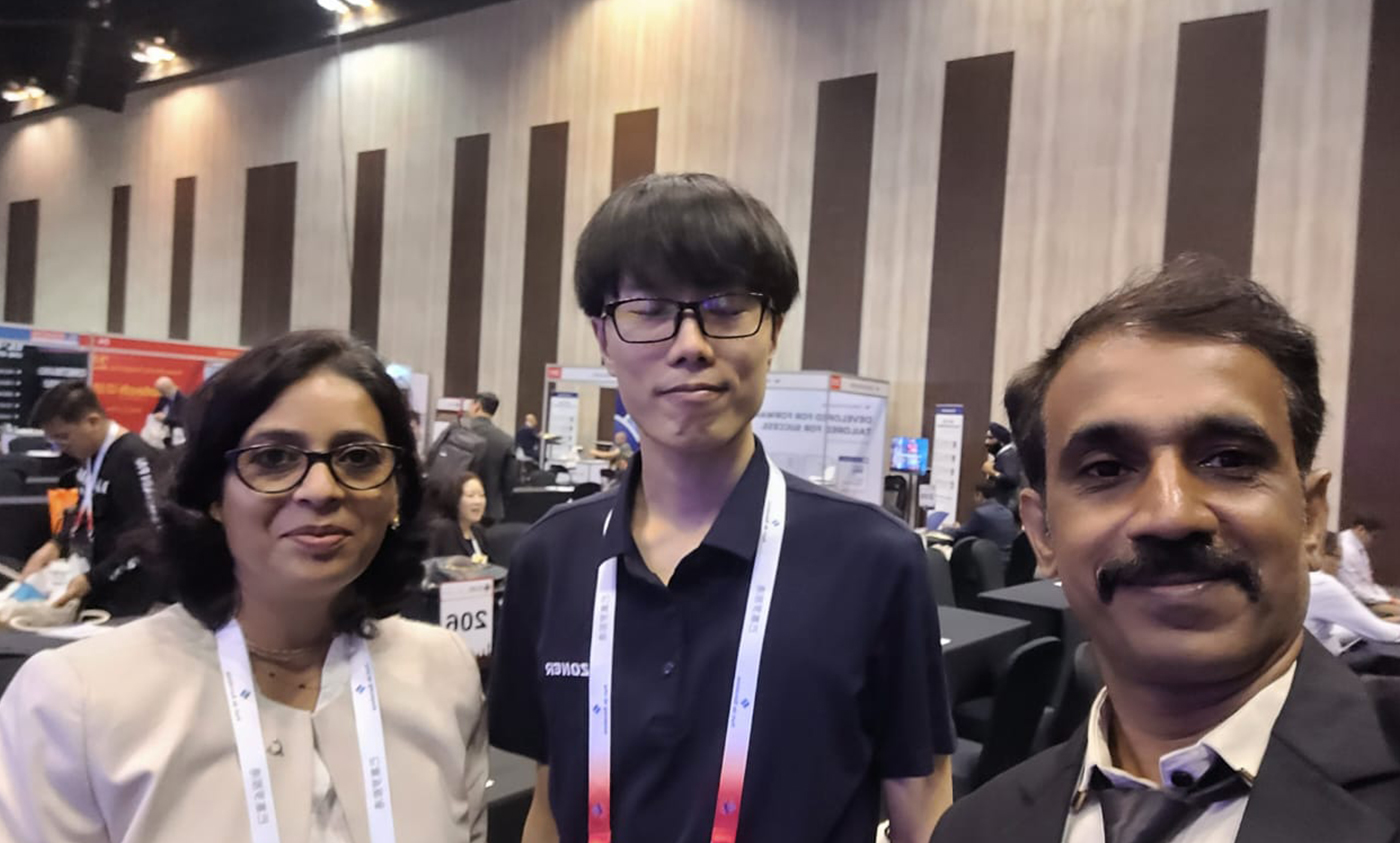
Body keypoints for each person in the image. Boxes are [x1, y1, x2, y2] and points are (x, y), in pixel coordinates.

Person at [490, 173, 955, 843]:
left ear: (774, 332)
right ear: (603, 337)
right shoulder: (550, 558)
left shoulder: (875, 560)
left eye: (728, 307)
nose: (691, 344)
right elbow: (549, 802)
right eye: (650, 308)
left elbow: (924, 807)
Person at [931, 255, 1400, 842]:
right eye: (1106, 469)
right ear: (1043, 533)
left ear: (1311, 518)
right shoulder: (974, 829)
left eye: (1228, 459)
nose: (1171, 515)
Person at [0, 331, 488, 842]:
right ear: (215, 494)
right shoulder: (75, 702)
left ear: (396, 494)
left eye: (359, 458)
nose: (321, 489)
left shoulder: (444, 674)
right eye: (273, 458)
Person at [19, 380, 163, 615]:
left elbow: (150, 535)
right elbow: (84, 503)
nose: (61, 447)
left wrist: (92, 579)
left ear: (92, 421)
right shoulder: (89, 453)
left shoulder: (134, 458)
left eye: (64, 437)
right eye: (54, 440)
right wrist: (56, 544)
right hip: (95, 579)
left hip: (129, 593)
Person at [1304, 531, 1400, 656]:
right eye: (1338, 557)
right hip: (1327, 659)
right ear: (1322, 554)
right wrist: (1375, 624)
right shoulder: (1323, 583)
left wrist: (1378, 623)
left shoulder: (1297, 581)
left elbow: (1329, 629)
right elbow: (1382, 633)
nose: (1340, 565)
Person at [464, 391, 515, 523]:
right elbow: (510, 480)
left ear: (477, 406)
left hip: (459, 508)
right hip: (491, 510)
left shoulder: (459, 433)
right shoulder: (506, 440)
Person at [1335, 515, 1400, 618]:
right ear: (1361, 529)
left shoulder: (1357, 547)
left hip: (1366, 598)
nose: (1373, 541)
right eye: (1373, 536)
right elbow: (1355, 590)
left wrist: (1388, 598)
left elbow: (1368, 583)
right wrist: (1388, 600)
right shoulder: (1346, 549)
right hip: (1354, 602)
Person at [425, 466, 493, 563]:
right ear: (455, 499)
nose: (478, 501)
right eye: (470, 496)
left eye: (482, 495)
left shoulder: (478, 531)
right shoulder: (441, 530)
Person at [946, 479, 1019, 555]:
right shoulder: (1008, 512)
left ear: (979, 495)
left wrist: (945, 529)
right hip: (1006, 558)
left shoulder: (981, 513)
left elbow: (961, 533)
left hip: (988, 558)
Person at [982, 422, 1021, 510]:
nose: (986, 442)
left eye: (990, 438)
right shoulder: (1003, 455)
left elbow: (1012, 479)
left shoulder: (1007, 455)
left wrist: (993, 472)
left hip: (1006, 506)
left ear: (1001, 441)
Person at [152, 375, 187, 446]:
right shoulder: (163, 398)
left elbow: (183, 421)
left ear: (167, 388)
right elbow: (156, 411)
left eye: (161, 391)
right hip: (161, 436)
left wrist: (166, 419)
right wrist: (156, 415)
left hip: (177, 438)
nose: (160, 393)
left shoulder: (184, 400)